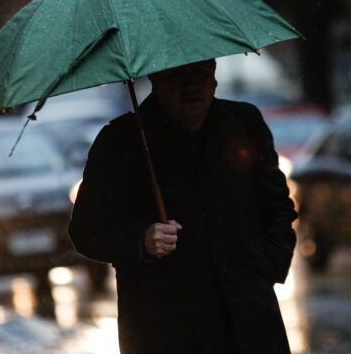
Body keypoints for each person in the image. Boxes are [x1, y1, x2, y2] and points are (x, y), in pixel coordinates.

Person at [68, 59, 297, 353]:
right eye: (176, 75)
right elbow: (86, 230)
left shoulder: (244, 123)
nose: (190, 85)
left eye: (199, 73)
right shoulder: (120, 140)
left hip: (248, 322)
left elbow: (277, 205)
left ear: (214, 77)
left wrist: (266, 268)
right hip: (164, 328)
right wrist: (141, 240)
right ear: (155, 79)